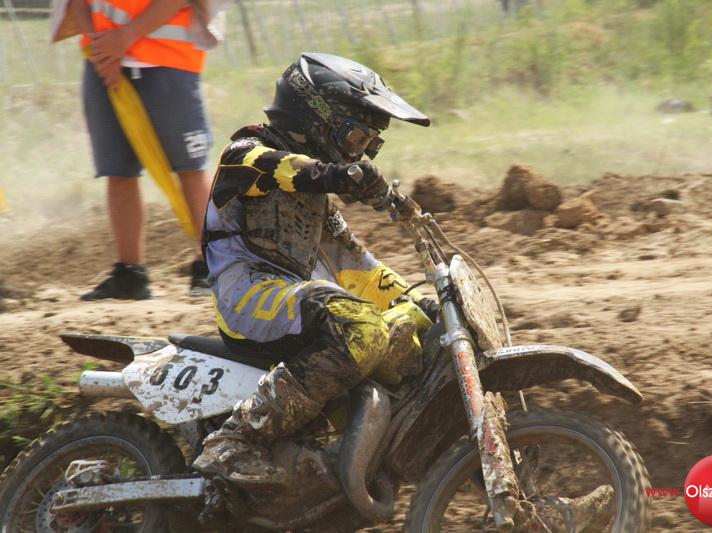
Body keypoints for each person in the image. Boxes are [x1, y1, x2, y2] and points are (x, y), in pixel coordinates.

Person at [191, 52, 437, 488]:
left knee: (406, 329)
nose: (360, 151)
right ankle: (235, 439)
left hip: (290, 299)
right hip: (247, 296)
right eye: (357, 137)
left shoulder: (316, 202)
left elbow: (357, 266)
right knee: (359, 326)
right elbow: (288, 170)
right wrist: (342, 175)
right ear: (318, 117)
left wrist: (421, 302)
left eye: (369, 145)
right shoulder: (244, 154)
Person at [50, 0, 225, 300]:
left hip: (167, 57)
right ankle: (130, 274)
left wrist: (124, 38)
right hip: (103, 61)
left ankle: (213, 267)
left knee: (190, 167)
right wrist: (101, 48)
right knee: (118, 171)